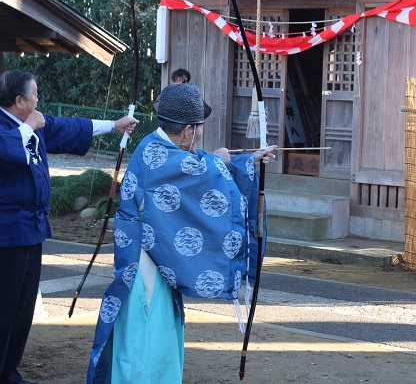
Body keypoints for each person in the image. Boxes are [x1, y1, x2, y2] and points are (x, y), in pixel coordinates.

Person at [86, 83, 275, 383]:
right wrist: (228, 161)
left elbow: (199, 170)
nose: (199, 134)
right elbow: (201, 172)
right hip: (143, 268)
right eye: (198, 128)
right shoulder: (158, 155)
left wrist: (244, 160)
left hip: (153, 262)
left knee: (155, 342)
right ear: (188, 131)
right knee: (142, 347)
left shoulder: (155, 147)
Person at [0, 69, 138, 384]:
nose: (38, 100)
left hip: (31, 229)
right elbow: (6, 150)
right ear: (20, 100)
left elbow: (67, 126)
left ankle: (8, 372)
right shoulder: (11, 127)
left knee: (21, 308)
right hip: (6, 231)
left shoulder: (28, 123)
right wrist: (27, 127)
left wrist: (114, 126)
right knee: (4, 307)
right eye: (34, 95)